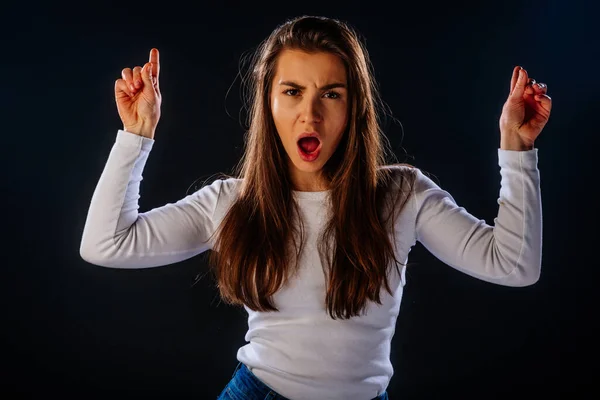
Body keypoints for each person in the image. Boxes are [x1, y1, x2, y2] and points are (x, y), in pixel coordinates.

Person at [79, 15, 551, 400]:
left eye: (331, 93)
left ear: (354, 107)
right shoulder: (232, 202)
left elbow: (513, 265)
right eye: (292, 92)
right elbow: (106, 245)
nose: (311, 114)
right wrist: (136, 136)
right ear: (269, 103)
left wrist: (516, 149)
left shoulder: (402, 195)